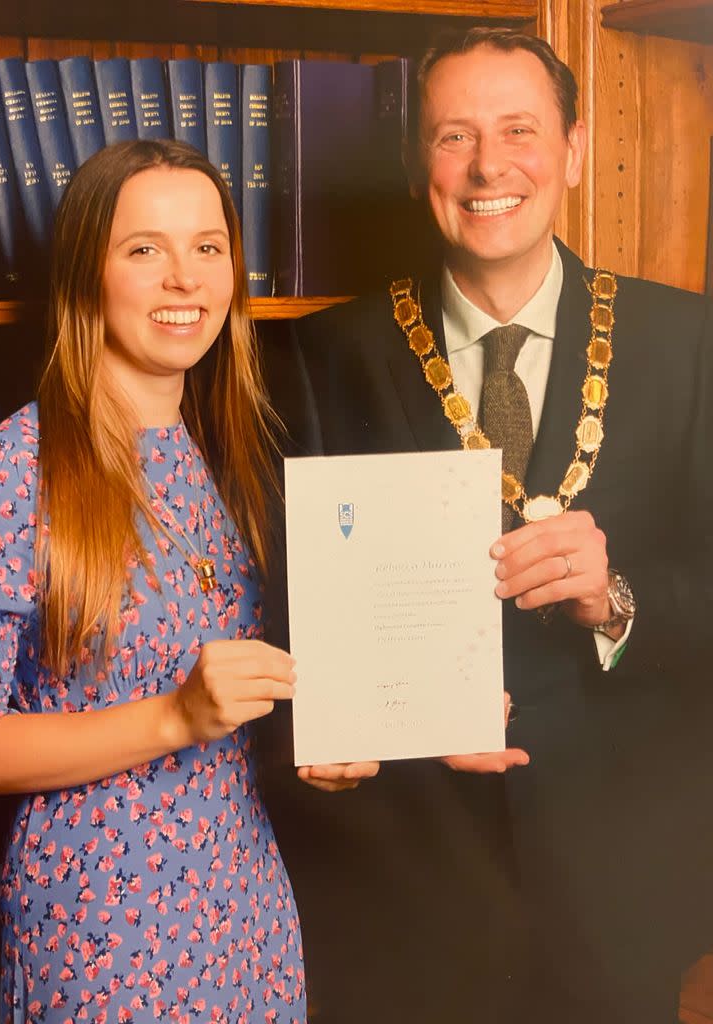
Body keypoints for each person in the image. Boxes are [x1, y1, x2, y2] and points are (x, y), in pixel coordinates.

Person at [261, 28, 713, 1024]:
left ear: (576, 150)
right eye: (454, 135)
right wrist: (329, 725)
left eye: (518, 129)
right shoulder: (324, 352)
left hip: (621, 878)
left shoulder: (690, 343)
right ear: (418, 160)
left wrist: (616, 599)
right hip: (401, 873)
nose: (488, 166)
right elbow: (283, 613)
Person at [0, 138, 373, 1023]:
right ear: (85, 275)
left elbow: (228, 699)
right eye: (146, 249)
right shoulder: (8, 472)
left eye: (208, 248)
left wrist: (313, 743)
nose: (185, 279)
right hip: (103, 921)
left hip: (245, 897)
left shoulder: (218, 453)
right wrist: (174, 717)